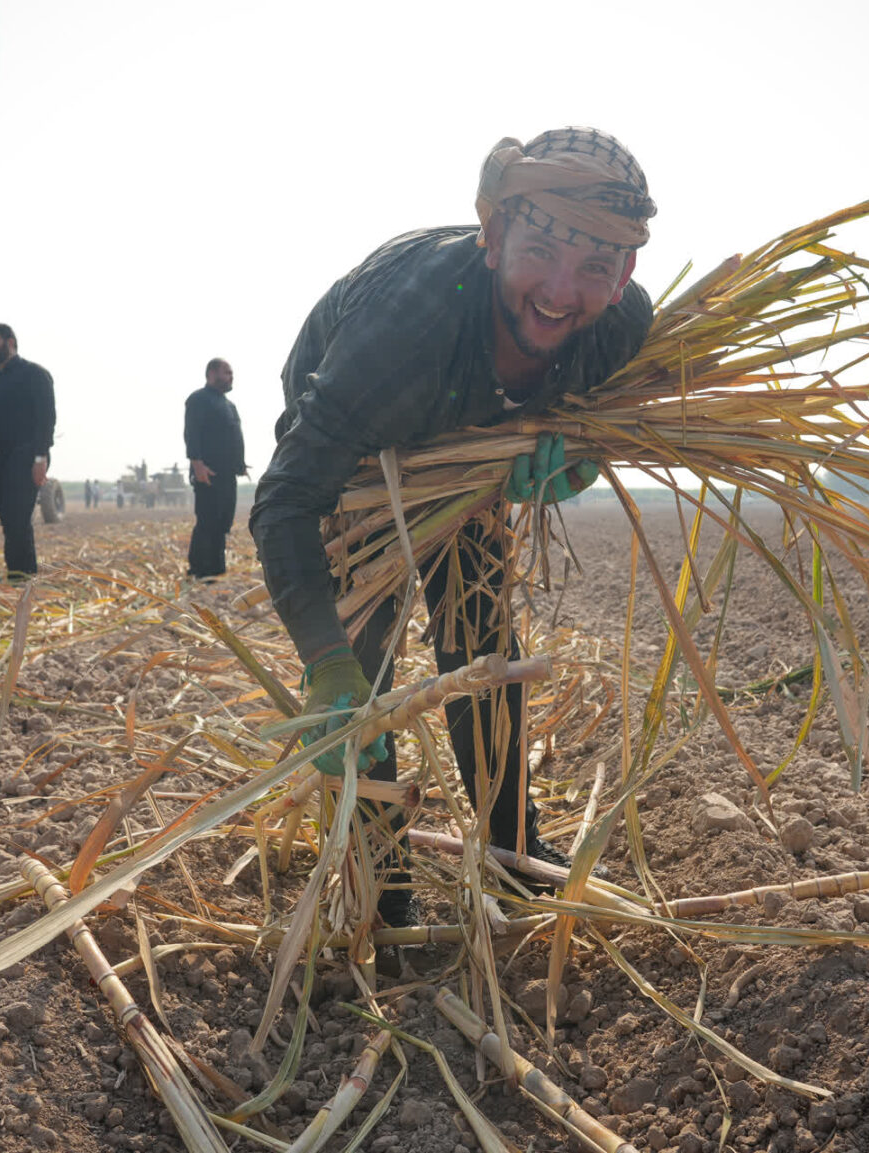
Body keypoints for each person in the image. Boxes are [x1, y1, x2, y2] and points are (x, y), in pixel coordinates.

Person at [250, 127, 655, 923]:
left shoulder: (617, 325)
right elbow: (286, 498)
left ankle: (513, 857)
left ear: (624, 273)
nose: (561, 289)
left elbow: (603, 416)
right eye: (540, 250)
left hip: (465, 465)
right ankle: (380, 886)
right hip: (367, 466)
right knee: (359, 684)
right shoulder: (405, 335)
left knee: (482, 647)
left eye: (595, 269)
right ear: (495, 233)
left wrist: (581, 454)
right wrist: (325, 662)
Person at [0, 323, 55, 578]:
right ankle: (17, 572)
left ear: (10, 342)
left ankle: (24, 574)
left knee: (19, 518)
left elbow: (46, 420)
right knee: (8, 519)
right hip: (1, 458)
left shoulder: (35, 375)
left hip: (28, 455)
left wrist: (40, 458)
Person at [184, 358, 247, 579]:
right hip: (207, 471)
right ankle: (199, 569)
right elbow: (192, 432)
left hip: (227, 473)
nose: (231, 376)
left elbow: (233, 436)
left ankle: (216, 568)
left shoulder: (228, 405)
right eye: (227, 372)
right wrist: (197, 463)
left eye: (231, 373)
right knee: (207, 519)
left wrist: (240, 464)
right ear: (212, 373)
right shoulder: (198, 400)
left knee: (222, 519)